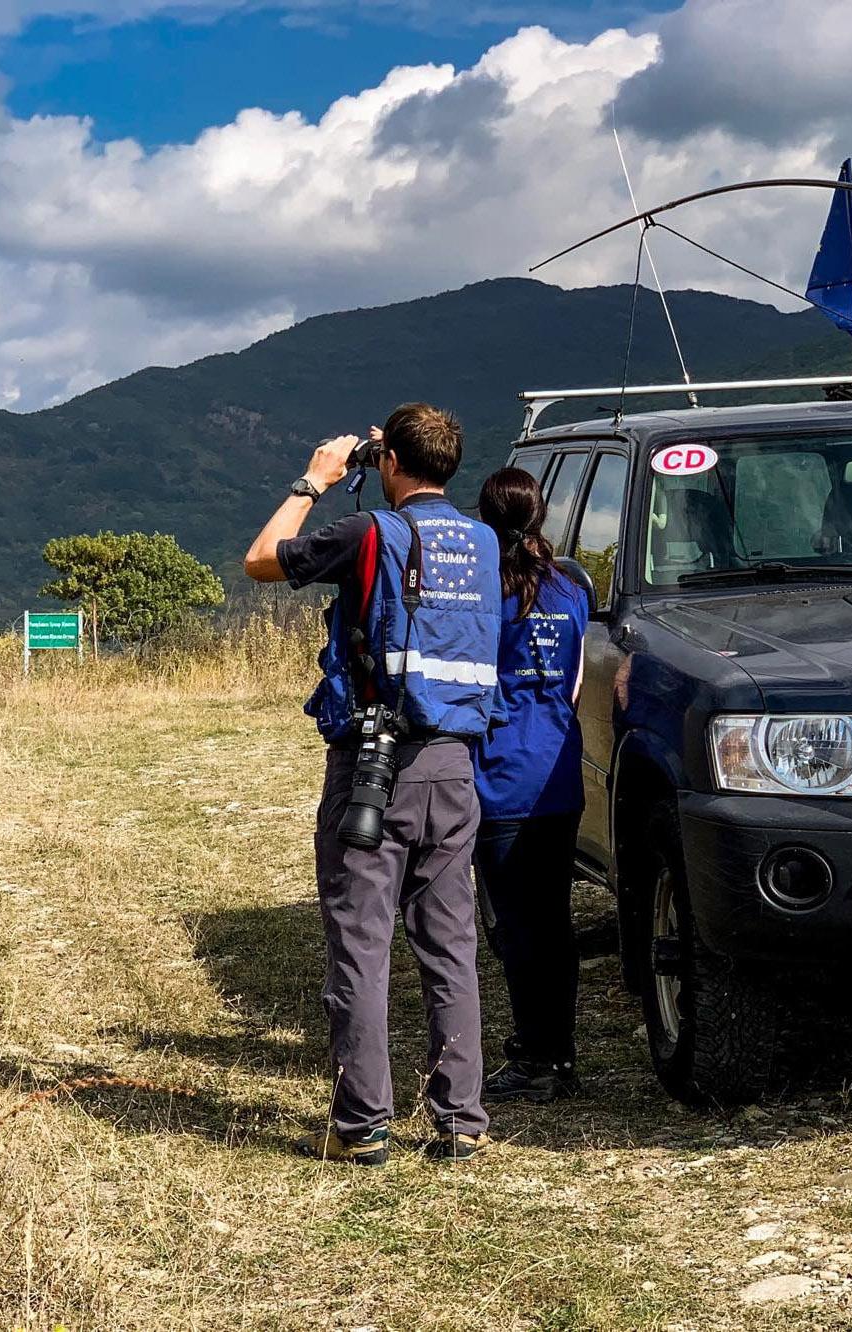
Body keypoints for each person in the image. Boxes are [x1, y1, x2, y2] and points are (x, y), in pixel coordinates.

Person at [244, 403, 503, 1166]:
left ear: (389, 462)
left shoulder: (371, 533)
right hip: (456, 763)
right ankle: (460, 1119)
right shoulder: (482, 540)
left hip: (375, 765)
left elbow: (262, 559)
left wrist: (314, 479)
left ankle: (362, 1127)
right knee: (450, 945)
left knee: (361, 944)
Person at [470, 467, 588, 1104]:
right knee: (553, 920)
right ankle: (558, 1051)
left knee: (515, 925)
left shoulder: (484, 592)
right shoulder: (570, 589)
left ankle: (536, 1055)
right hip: (559, 770)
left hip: (501, 773)